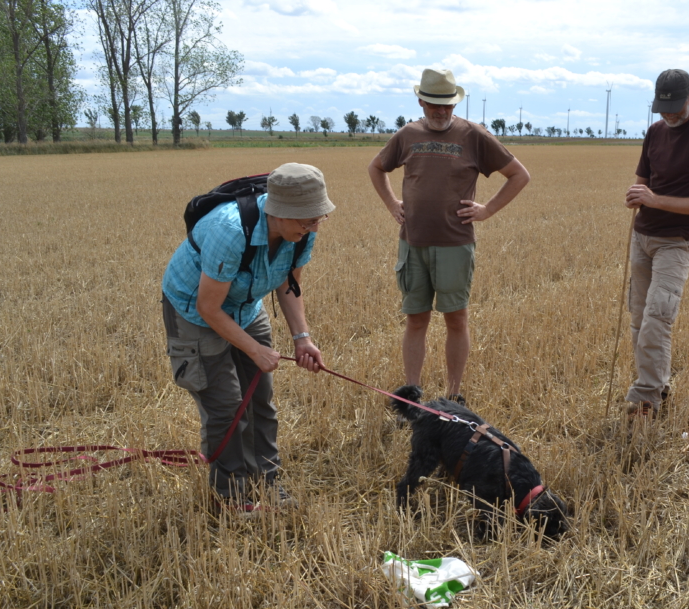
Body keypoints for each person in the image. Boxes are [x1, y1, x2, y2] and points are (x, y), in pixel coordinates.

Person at [161, 163, 333, 511]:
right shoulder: (231, 230)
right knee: (226, 407)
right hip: (194, 310)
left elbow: (289, 283)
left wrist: (302, 337)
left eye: (318, 218)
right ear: (279, 213)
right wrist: (255, 350)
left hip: (245, 306)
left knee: (259, 402)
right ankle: (232, 498)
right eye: (307, 220)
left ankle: (267, 482)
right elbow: (208, 308)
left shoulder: (303, 229)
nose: (315, 227)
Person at [368, 68, 530, 403]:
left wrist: (487, 211)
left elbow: (518, 175)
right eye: (434, 105)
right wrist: (390, 204)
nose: (441, 112)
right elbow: (377, 167)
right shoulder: (406, 135)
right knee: (416, 320)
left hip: (455, 244)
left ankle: (454, 397)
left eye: (448, 105)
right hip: (412, 242)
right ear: (421, 101)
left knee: (456, 318)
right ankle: (412, 394)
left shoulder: (473, 135)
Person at [623, 69, 689, 418]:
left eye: (675, 106)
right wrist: (638, 195)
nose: (668, 113)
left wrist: (654, 200)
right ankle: (658, 385)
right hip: (643, 237)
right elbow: (643, 181)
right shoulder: (654, 132)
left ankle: (645, 397)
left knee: (658, 317)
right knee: (640, 320)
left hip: (677, 242)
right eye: (662, 106)